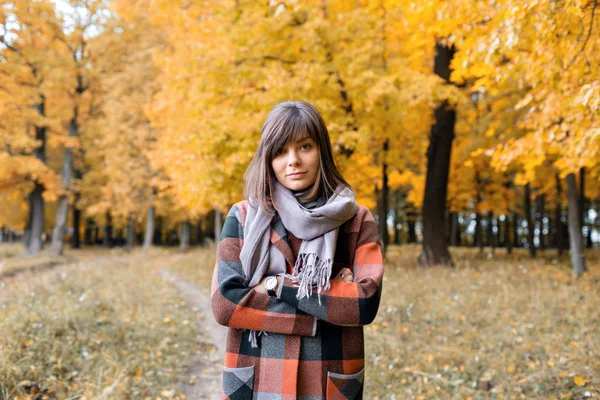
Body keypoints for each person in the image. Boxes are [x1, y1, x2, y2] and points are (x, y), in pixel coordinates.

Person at [211, 101, 384, 399]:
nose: (293, 160)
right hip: (257, 373)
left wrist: (273, 285)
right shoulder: (242, 217)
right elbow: (225, 303)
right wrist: (327, 302)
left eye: (304, 146)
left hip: (327, 375)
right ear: (268, 158)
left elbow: (364, 304)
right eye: (280, 151)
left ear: (321, 151)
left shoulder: (356, 220)